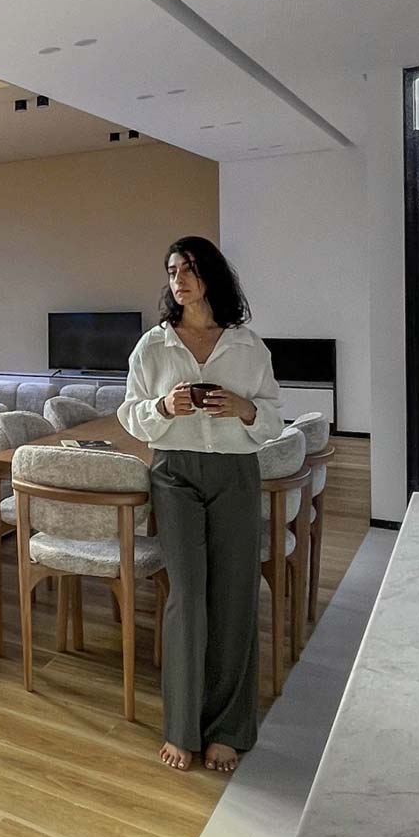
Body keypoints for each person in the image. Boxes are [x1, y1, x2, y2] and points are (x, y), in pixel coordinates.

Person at [119, 236, 284, 774]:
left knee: (234, 597)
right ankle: (181, 728)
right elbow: (131, 415)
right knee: (186, 599)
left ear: (210, 274)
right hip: (174, 475)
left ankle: (229, 729)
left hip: (235, 473)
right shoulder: (153, 346)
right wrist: (164, 406)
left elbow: (275, 420)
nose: (179, 279)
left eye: (188, 268)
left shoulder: (247, 346)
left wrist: (243, 409)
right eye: (172, 271)